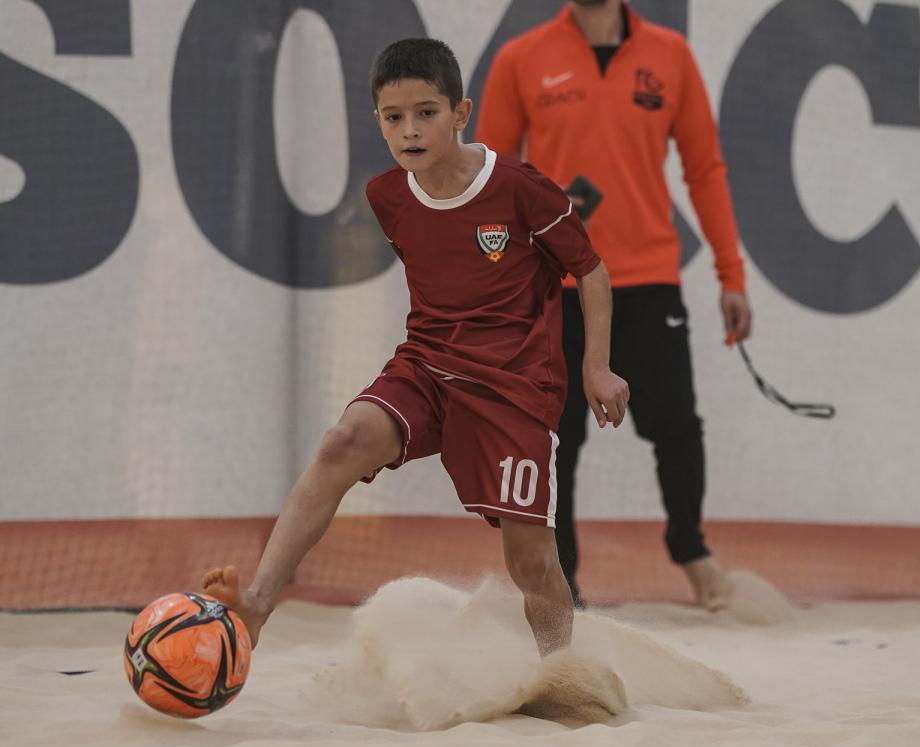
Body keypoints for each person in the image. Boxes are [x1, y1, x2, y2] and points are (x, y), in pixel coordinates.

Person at [201, 38, 629, 654]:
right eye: (393, 117)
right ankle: (258, 603)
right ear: (377, 121)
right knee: (341, 443)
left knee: (531, 561)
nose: (410, 130)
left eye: (426, 112)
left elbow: (590, 270)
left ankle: (562, 673)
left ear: (460, 113)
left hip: (513, 387)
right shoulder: (387, 196)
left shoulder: (518, 187)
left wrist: (598, 367)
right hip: (427, 366)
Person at [475, 0, 751, 610]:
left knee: (677, 426)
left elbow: (705, 170)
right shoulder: (521, 57)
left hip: (648, 278)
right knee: (555, 438)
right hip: (556, 283)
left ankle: (691, 551)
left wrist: (731, 274)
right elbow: (488, 178)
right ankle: (561, 582)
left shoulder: (671, 56)